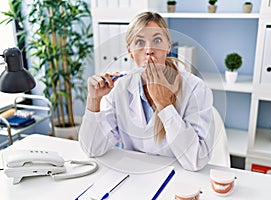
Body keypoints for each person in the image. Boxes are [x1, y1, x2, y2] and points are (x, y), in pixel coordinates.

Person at [78, 12, 214, 171]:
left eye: (157, 40)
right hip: (135, 177)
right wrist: (93, 101)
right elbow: (92, 149)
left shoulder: (196, 89)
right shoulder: (119, 89)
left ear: (168, 46)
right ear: (130, 51)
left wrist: (164, 104)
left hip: (179, 179)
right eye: (140, 42)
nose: (149, 50)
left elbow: (196, 159)